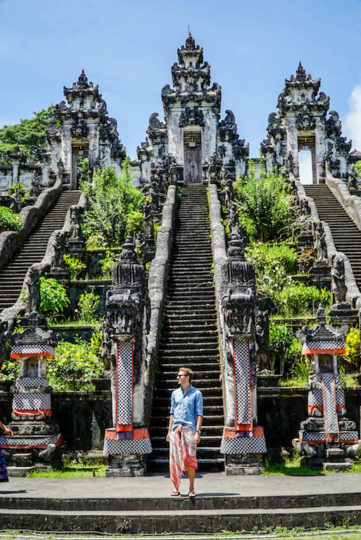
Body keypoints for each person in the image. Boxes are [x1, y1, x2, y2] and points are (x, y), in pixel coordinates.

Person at [166, 367, 203, 498]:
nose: (178, 377)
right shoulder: (175, 393)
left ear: (187, 377)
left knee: (190, 459)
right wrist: (169, 431)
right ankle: (176, 487)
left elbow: (199, 414)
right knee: (175, 459)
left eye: (180, 375)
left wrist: (197, 432)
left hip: (190, 430)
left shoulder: (196, 394)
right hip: (176, 429)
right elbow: (172, 413)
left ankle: (191, 487)